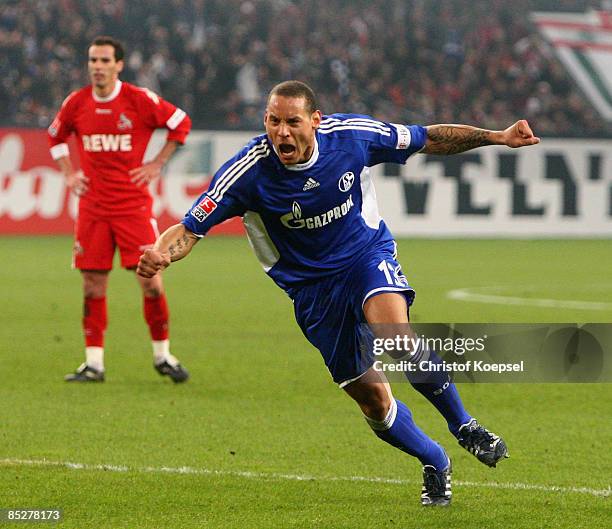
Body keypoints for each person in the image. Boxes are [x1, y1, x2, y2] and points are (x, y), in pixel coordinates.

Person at [137, 81, 540, 504]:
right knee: (371, 400)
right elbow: (189, 228)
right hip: (311, 292)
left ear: (315, 121)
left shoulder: (352, 137)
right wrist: (161, 254)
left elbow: (428, 138)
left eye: (292, 122)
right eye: (273, 121)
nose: (282, 132)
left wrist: (497, 137)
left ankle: (464, 426)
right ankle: (435, 459)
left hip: (365, 256)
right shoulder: (248, 173)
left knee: (396, 337)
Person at [48, 36, 192, 383]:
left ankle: (163, 355)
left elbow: (180, 123)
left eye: (104, 61)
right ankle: (94, 364)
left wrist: (157, 163)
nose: (97, 66)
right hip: (93, 209)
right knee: (92, 286)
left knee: (151, 282)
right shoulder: (76, 103)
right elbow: (55, 136)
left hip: (133, 207)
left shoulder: (138, 100)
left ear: (119, 65)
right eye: (92, 60)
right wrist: (70, 173)